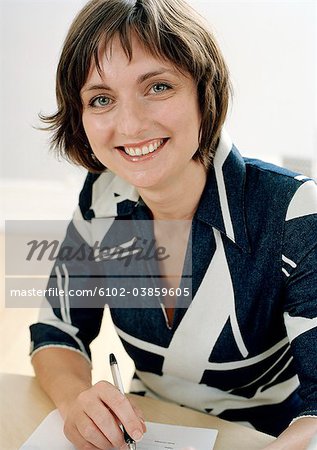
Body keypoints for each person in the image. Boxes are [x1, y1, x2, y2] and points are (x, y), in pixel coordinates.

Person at [30, 0, 317, 449]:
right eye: (101, 98)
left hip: (270, 436)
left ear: (206, 92)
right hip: (151, 430)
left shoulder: (293, 208)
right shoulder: (105, 199)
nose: (129, 124)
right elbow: (58, 331)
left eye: (158, 87)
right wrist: (76, 402)